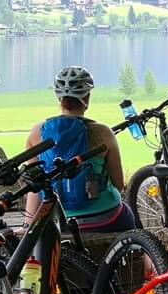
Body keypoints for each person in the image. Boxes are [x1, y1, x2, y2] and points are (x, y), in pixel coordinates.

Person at [22, 66, 136, 234]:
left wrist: (28, 227)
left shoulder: (37, 133)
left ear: (59, 98)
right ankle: (145, 258)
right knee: (137, 231)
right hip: (106, 218)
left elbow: (34, 186)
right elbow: (118, 183)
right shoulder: (103, 132)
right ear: (87, 97)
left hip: (60, 223)